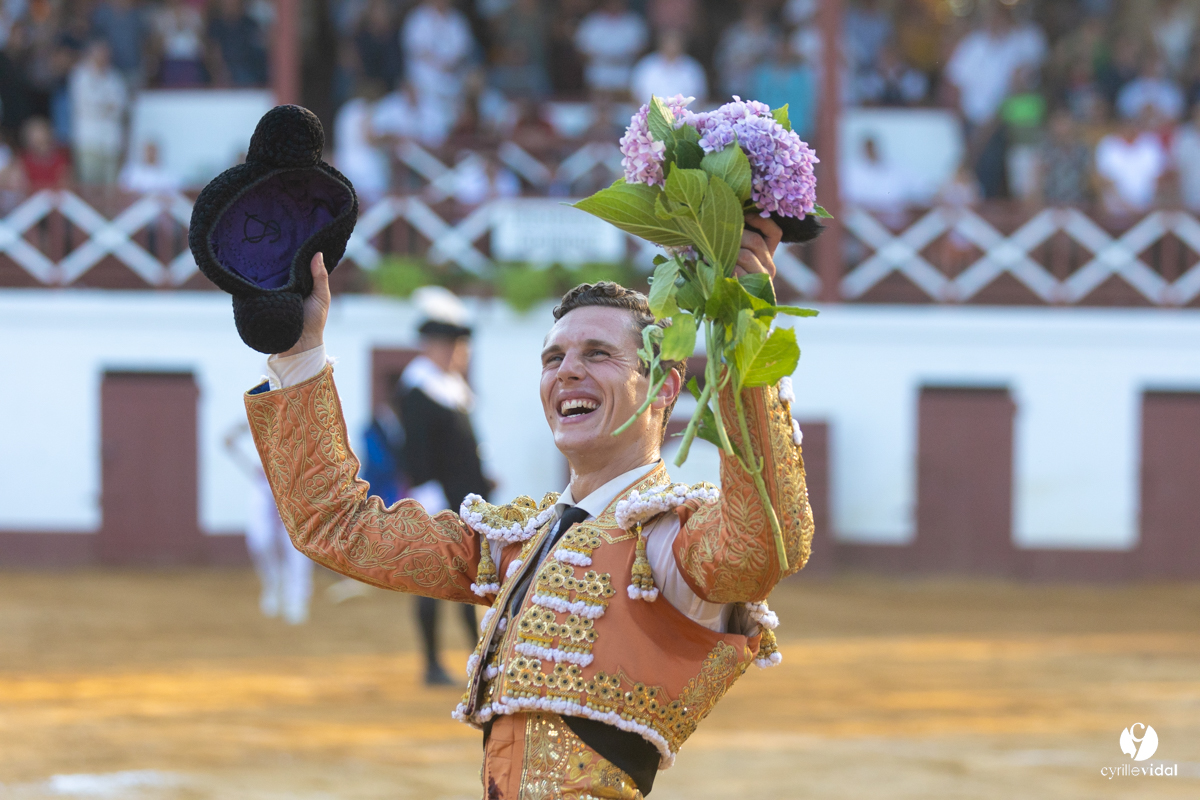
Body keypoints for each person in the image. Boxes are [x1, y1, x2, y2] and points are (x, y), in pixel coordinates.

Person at [242, 212, 812, 796]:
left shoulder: (670, 546)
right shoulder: (517, 542)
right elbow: (336, 524)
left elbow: (766, 541)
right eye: (553, 358)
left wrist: (747, 328)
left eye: (597, 354)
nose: (567, 371)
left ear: (664, 386)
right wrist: (299, 352)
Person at [396, 287, 489, 685]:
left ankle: (477, 659)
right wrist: (430, 499)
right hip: (439, 501)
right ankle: (434, 663)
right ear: (436, 346)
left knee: (468, 581)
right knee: (435, 582)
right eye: (455, 345)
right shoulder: (418, 389)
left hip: (462, 499)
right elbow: (415, 451)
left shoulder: (450, 389)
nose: (461, 352)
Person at [224, 421, 314, 625]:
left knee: (297, 547)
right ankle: (273, 583)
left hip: (294, 490)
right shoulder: (260, 418)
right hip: (263, 489)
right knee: (260, 540)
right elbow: (228, 440)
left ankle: (297, 598)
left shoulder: (301, 420)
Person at [69, 40, 127, 187]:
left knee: (112, 187)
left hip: (111, 142)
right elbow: (87, 106)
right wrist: (106, 106)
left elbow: (120, 107)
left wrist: (103, 106)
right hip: (89, 140)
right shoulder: (80, 76)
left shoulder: (115, 78)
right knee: (90, 187)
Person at [574, 0, 648, 100]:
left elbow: (642, 51)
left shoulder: (634, 22)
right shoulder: (591, 22)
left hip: (626, 80)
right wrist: (603, 60)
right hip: (598, 79)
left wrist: (622, 59)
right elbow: (580, 51)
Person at [1095, 114, 1167, 215]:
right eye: (1125, 125)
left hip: (1146, 209)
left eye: (1132, 125)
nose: (1129, 129)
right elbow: (1104, 179)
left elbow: (1159, 178)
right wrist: (1126, 206)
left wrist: (1147, 205)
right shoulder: (1108, 144)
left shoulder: (1150, 144)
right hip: (1115, 211)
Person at [629, 29, 706, 105]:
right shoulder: (646, 66)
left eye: (675, 44)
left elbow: (700, 98)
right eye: (669, 43)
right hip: (651, 115)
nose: (672, 47)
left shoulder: (693, 68)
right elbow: (636, 96)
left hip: (684, 116)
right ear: (661, 44)